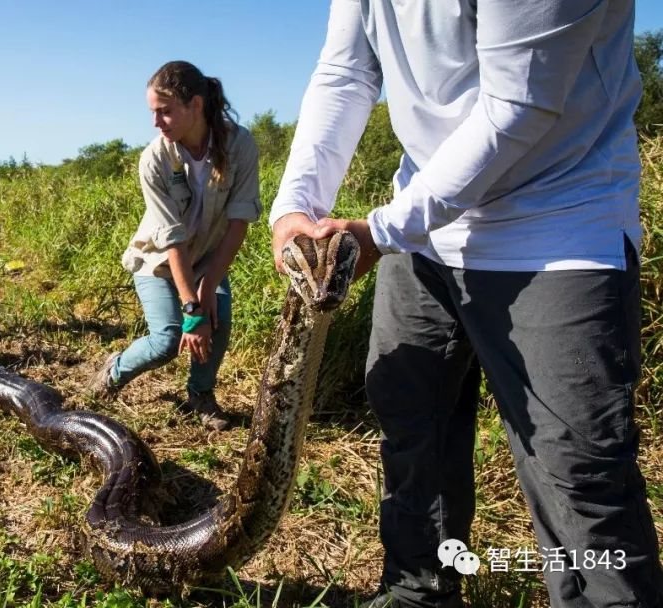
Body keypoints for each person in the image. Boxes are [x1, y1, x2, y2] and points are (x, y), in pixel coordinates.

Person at [270, 1, 663, 606]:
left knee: (576, 467)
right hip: (424, 227)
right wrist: (297, 203)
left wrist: (380, 232)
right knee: (411, 423)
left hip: (556, 224)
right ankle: (415, 593)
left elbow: (518, 104)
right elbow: (346, 72)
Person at [86, 61, 262, 431]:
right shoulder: (155, 158)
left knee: (220, 321)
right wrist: (192, 307)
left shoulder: (239, 144)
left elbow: (239, 221)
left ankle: (200, 394)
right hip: (159, 261)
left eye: (165, 111)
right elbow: (172, 239)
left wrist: (210, 287)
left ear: (195, 105)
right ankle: (114, 371)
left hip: (208, 257)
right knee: (167, 340)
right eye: (153, 112)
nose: (156, 122)